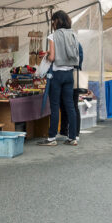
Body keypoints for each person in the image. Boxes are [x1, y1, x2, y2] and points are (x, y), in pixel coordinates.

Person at [38, 10, 81, 146]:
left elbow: (52, 58)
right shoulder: (73, 34)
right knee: (70, 106)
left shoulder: (53, 36)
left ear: (56, 21)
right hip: (69, 74)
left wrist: (46, 56)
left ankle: (52, 138)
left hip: (57, 75)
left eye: (53, 21)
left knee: (55, 106)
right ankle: (72, 137)